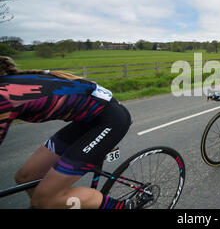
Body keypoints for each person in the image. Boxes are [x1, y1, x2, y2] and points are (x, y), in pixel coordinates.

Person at [0, 56, 133, 209]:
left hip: (110, 120)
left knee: (45, 200)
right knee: (25, 177)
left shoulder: (4, 96)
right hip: (87, 120)